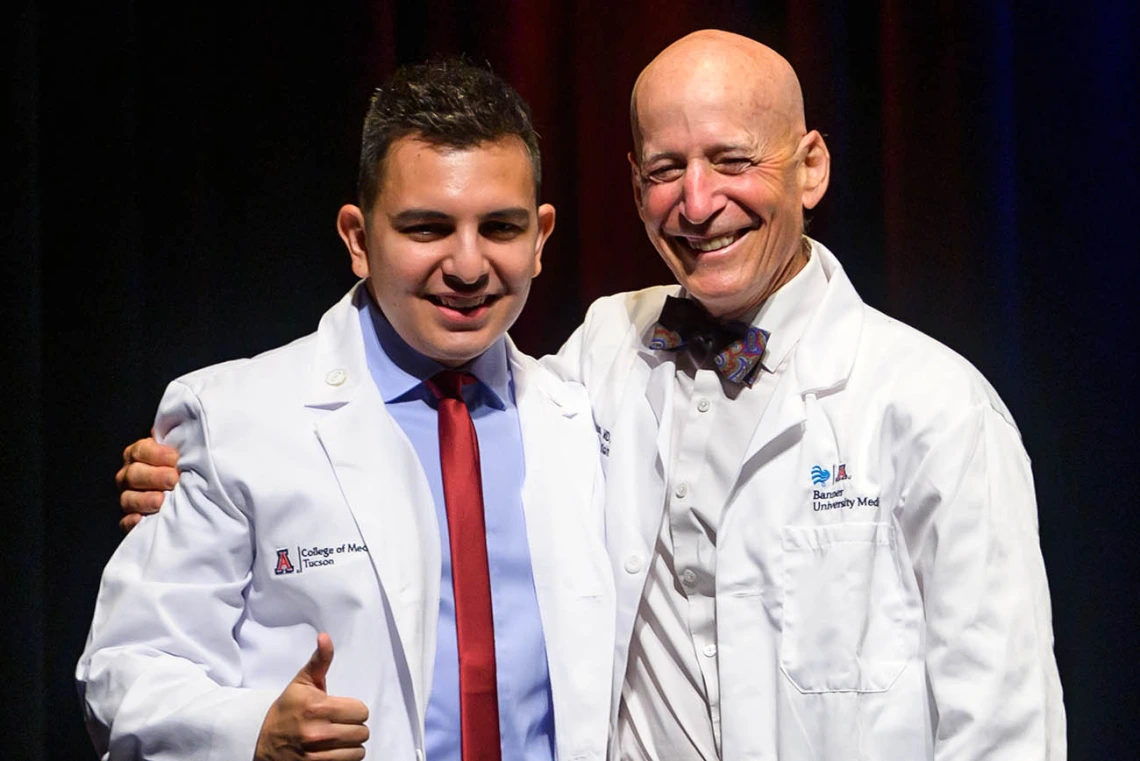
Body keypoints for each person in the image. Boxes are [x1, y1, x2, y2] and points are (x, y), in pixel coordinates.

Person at [118, 30, 1066, 760]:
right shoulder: (600, 357)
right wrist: (195, 474)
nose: (697, 204)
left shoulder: (935, 406)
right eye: (665, 170)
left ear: (810, 167)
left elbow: (1008, 721)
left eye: (733, 161)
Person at [79, 59, 615, 761]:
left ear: (541, 238)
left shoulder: (584, 416)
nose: (467, 264)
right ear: (359, 239)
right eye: (426, 228)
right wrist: (252, 734)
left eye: (500, 227)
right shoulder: (235, 417)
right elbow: (124, 670)